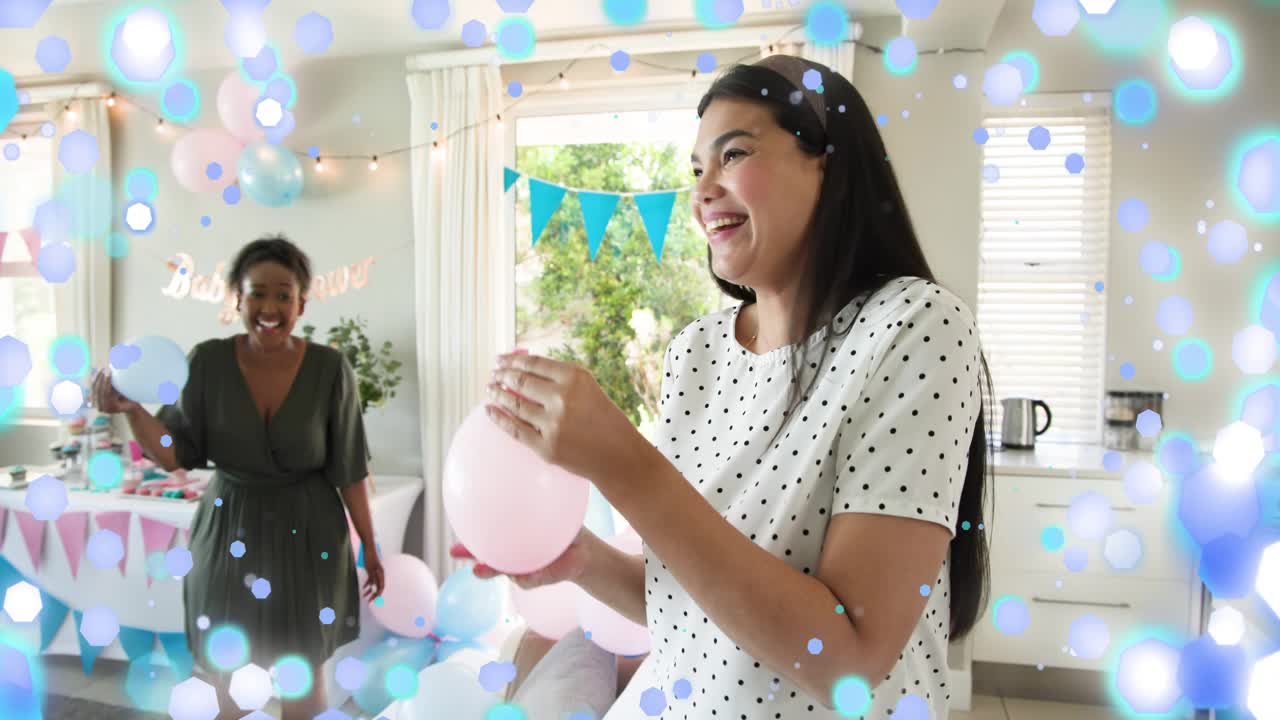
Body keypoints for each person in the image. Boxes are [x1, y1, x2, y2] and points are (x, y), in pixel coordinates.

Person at [463, 52, 997, 719]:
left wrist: (619, 459)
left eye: (733, 155)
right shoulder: (696, 352)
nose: (702, 190)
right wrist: (579, 560)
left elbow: (849, 662)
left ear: (827, 164)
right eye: (696, 170)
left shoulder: (913, 325)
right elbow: (692, 604)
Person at [91, 235, 386, 720]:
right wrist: (132, 411)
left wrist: (369, 545)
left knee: (301, 670)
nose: (269, 307)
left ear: (302, 302)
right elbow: (174, 454)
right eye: (257, 293)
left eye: (283, 295)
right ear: (238, 299)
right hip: (229, 529)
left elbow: (350, 467)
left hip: (309, 534)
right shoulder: (207, 362)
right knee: (225, 666)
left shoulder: (331, 369)